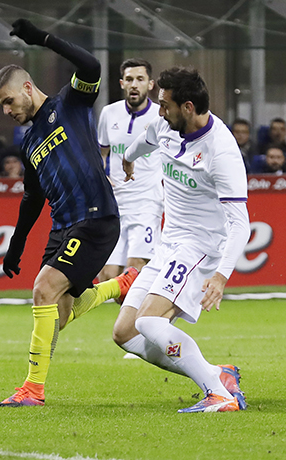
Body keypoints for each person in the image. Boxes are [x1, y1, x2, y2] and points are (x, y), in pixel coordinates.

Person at [0, 19, 138, 407]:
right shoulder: (29, 142)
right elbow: (31, 198)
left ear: (27, 87)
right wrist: (15, 246)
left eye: (8, 100)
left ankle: (32, 390)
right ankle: (119, 285)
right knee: (56, 314)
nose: (6, 110)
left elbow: (90, 66)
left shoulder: (68, 104)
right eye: (0, 106)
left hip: (95, 217)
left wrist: (40, 39)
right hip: (63, 226)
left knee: (43, 288)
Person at [116, 67, 250, 413]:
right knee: (126, 333)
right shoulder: (165, 125)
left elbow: (240, 224)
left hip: (200, 249)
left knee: (149, 322)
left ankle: (218, 394)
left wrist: (220, 276)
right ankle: (218, 375)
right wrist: (128, 159)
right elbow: (146, 139)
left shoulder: (221, 152)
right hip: (168, 243)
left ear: (187, 107)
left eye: (165, 105)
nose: (159, 111)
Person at [97, 58, 163, 286]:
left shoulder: (160, 117)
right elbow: (101, 152)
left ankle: (143, 321)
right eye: (130, 79)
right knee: (108, 277)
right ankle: (135, 319)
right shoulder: (109, 113)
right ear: (122, 83)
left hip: (147, 203)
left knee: (135, 272)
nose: (134, 84)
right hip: (115, 205)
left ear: (151, 84)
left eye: (140, 79)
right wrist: (100, 175)